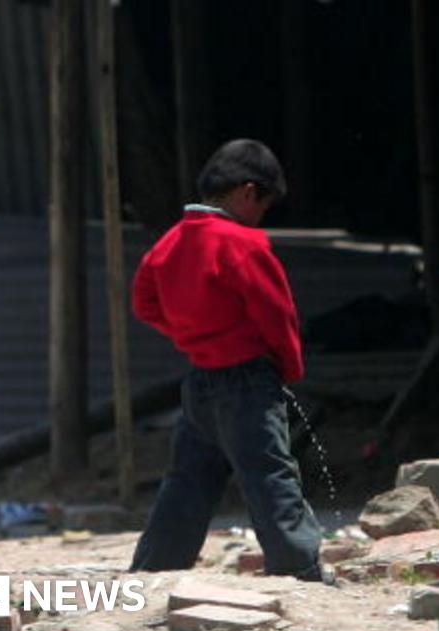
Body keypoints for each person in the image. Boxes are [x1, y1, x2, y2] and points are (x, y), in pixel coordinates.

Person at [128, 139, 326, 582]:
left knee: (187, 480)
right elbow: (276, 312)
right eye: (264, 205)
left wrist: (189, 334)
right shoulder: (243, 244)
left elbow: (144, 303)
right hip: (249, 381)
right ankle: (299, 568)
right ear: (247, 192)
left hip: (199, 381)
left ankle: (153, 569)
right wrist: (289, 366)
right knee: (269, 475)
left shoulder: (170, 242)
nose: (261, 216)